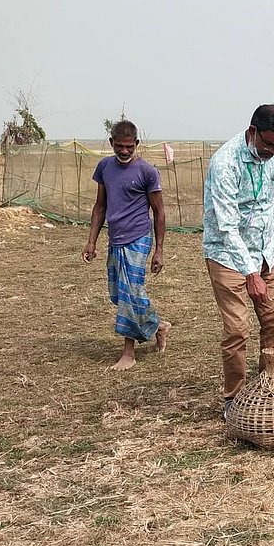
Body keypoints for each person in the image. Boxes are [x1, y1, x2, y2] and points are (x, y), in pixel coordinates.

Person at [202, 104, 274, 415]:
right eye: (268, 144)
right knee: (237, 330)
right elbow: (226, 225)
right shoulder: (225, 163)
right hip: (227, 256)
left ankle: (272, 387)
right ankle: (235, 399)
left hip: (265, 251)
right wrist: (251, 272)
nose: (272, 151)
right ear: (252, 132)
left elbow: (269, 199)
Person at [82, 120, 170, 371]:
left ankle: (128, 353)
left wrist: (159, 250)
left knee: (129, 295)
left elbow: (159, 212)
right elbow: (100, 206)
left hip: (139, 237)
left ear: (136, 144)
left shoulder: (147, 171)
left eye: (128, 146)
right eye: (119, 146)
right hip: (115, 238)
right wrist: (91, 241)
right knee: (119, 294)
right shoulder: (104, 168)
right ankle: (158, 326)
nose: (124, 151)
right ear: (111, 143)